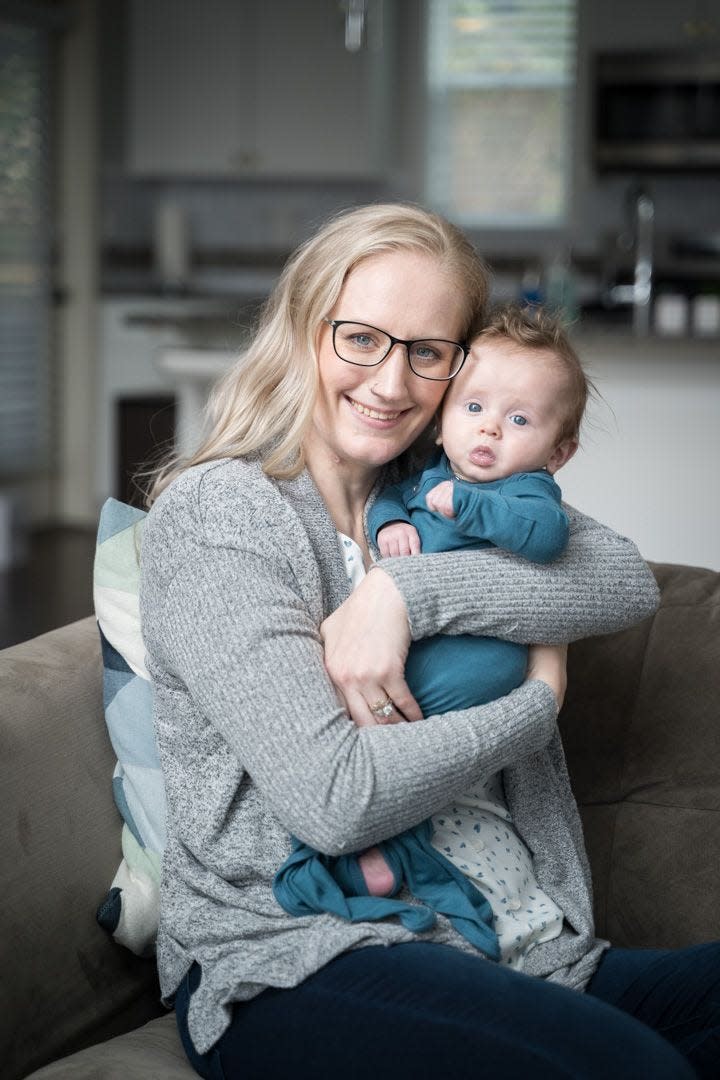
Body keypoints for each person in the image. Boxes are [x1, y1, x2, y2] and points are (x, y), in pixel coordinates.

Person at [139, 203, 716, 1078]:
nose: (392, 384)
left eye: (428, 353)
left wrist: (403, 590)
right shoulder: (223, 515)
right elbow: (335, 799)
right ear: (305, 327)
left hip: (520, 948)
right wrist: (536, 707)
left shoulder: (437, 485)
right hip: (300, 956)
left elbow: (622, 580)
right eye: (362, 338)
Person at [274, 304, 586, 924]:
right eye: (473, 409)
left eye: (518, 419)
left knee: (385, 729)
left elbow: (548, 537)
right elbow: (394, 497)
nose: (489, 431)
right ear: (442, 425)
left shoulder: (527, 492)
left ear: (558, 451)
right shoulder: (428, 474)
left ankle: (367, 846)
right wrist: (389, 522)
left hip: (482, 660)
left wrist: (470, 509)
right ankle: (384, 845)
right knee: (382, 732)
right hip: (428, 651)